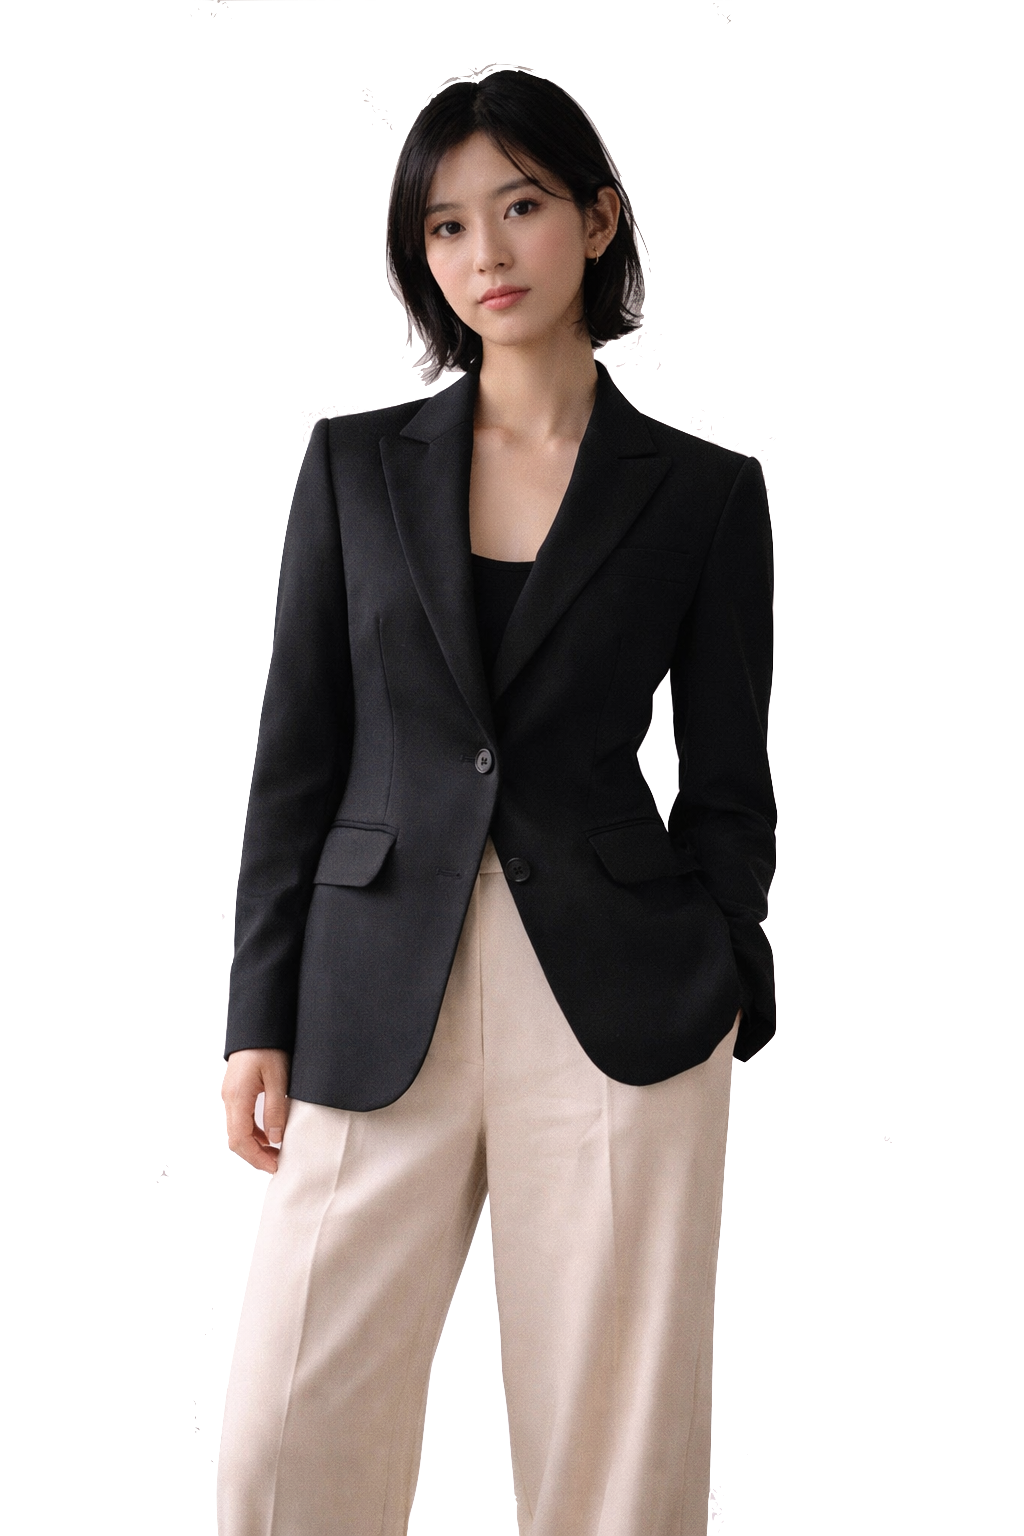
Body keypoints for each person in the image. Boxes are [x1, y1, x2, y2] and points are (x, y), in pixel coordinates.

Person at [216, 63, 776, 1536]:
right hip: (369, 981)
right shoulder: (351, 464)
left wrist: (728, 976)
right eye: (447, 226)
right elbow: (294, 755)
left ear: (598, 219)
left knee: (615, 1458)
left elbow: (732, 781)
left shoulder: (704, 493)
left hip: (618, 1000)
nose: (486, 255)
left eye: (520, 208)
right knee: (284, 1435)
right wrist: (256, 1009)